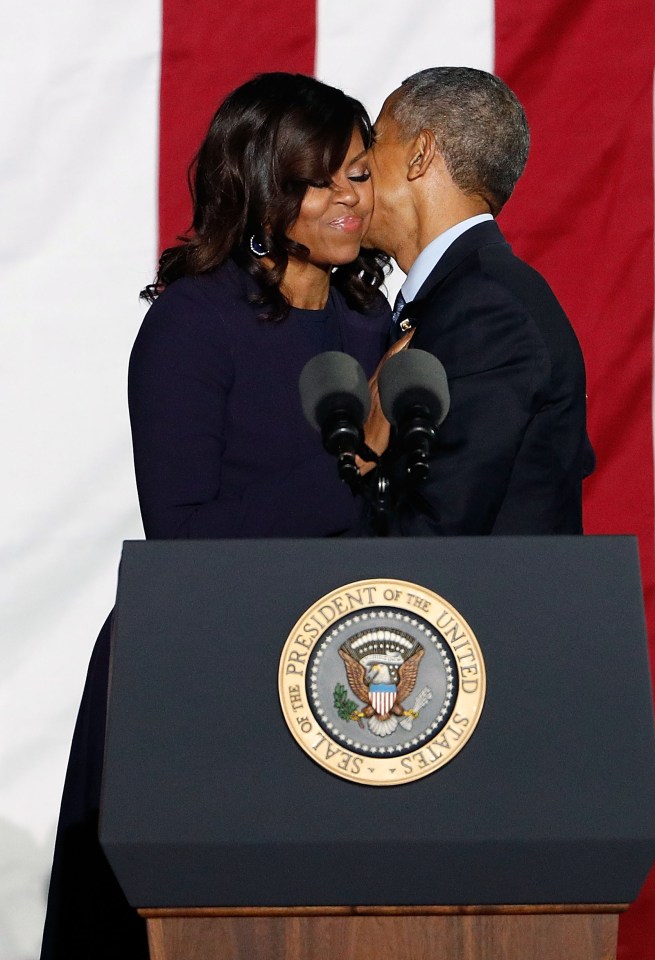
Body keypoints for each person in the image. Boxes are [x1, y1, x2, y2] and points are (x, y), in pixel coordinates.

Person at [41, 72, 390, 959]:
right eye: (325, 179)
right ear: (264, 186)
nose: (353, 198)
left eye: (360, 172)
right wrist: (359, 461)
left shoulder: (370, 322)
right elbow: (183, 533)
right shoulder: (193, 323)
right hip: (197, 669)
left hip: (332, 675)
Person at [363, 66, 595, 535]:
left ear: (420, 154)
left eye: (374, 140)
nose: (355, 169)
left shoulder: (486, 313)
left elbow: (439, 529)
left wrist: (361, 459)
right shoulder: (466, 296)